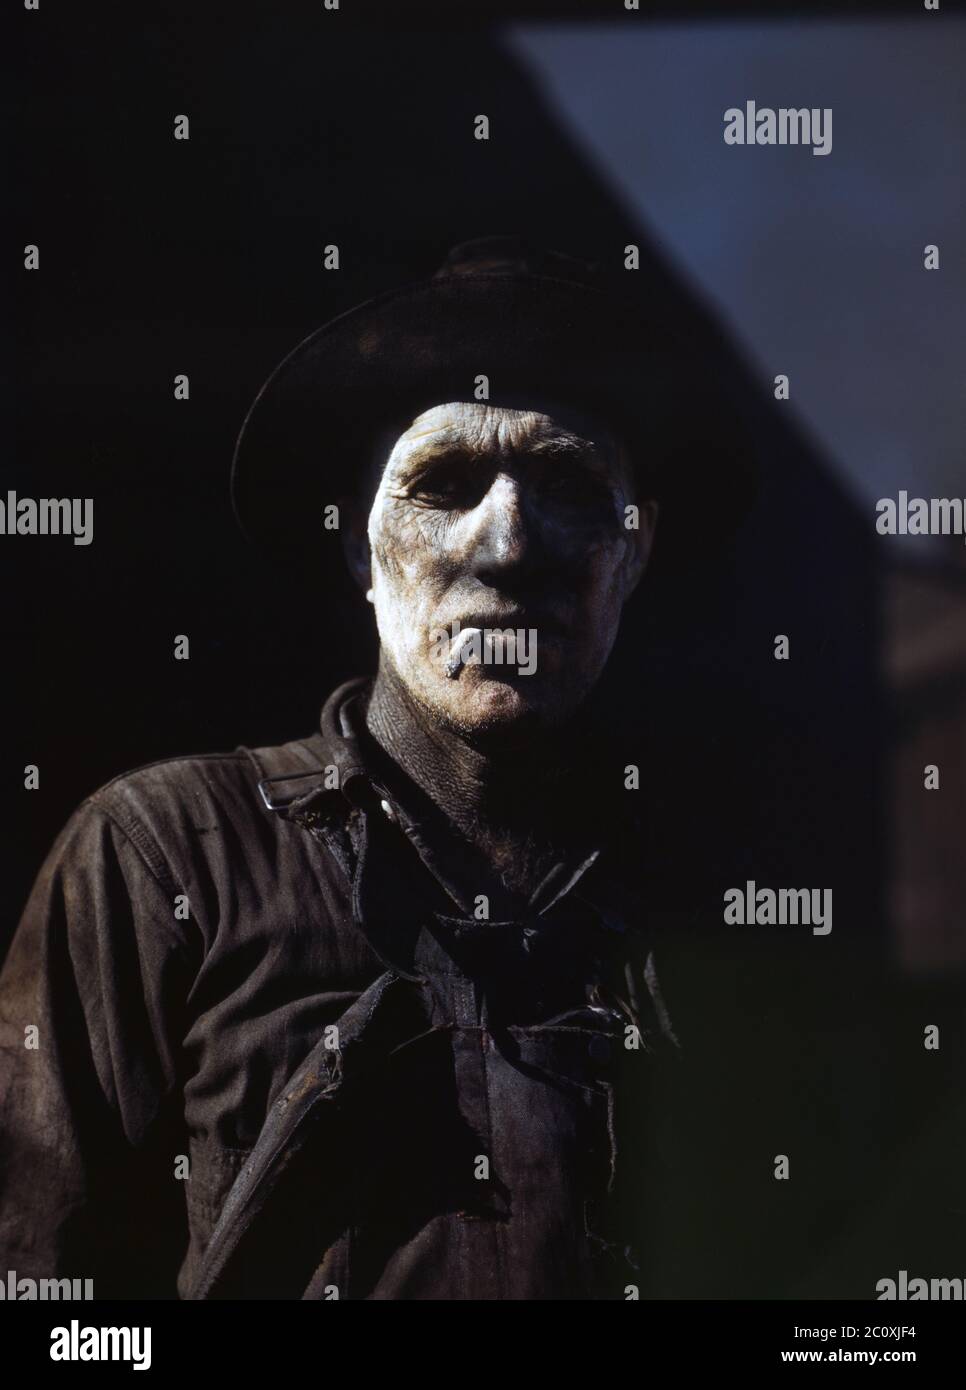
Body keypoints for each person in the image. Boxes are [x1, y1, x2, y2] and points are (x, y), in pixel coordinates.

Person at [0, 236, 753, 1299]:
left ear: (632, 553)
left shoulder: (711, 894)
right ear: (362, 551)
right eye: (444, 484)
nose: (509, 546)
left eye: (570, 486)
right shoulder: (164, 854)